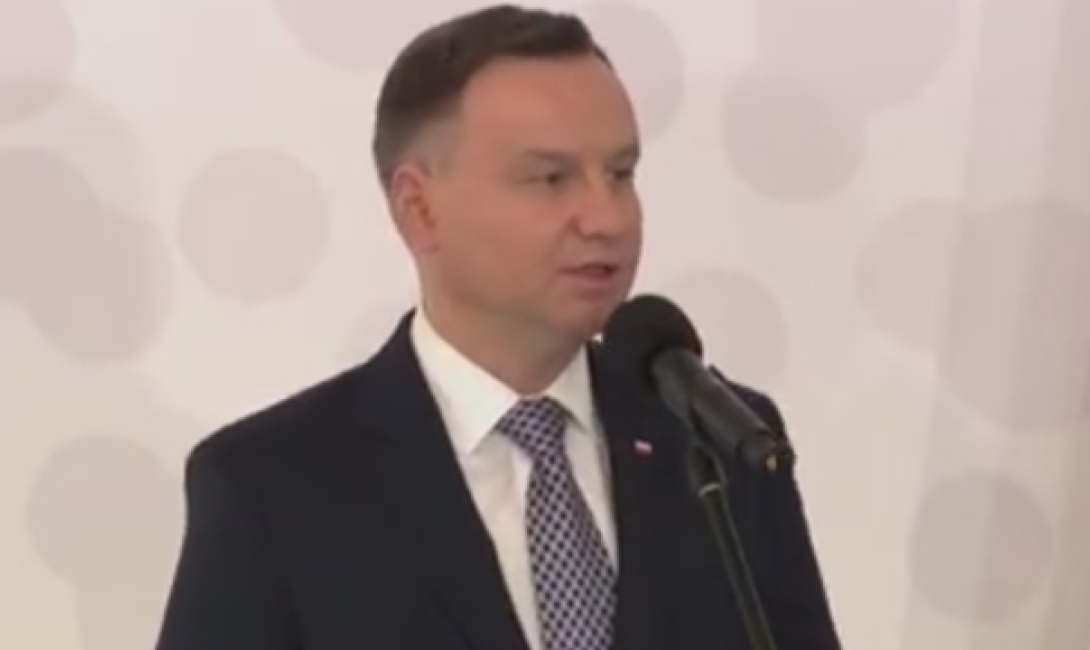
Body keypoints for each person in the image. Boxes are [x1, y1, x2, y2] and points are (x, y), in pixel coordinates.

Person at [153, 4, 841, 650]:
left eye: (620, 173)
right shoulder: (272, 486)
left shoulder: (720, 440)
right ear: (419, 209)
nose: (607, 218)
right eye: (551, 179)